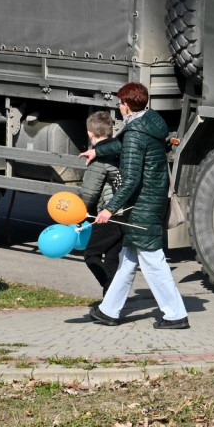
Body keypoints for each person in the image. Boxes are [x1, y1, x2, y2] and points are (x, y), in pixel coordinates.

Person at [81, 82, 189, 329]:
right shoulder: (149, 122)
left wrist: (109, 208)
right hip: (151, 199)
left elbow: (130, 179)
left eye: (120, 103)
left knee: (153, 261)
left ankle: (175, 315)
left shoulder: (136, 132)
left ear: (127, 106)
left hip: (143, 205)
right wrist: (97, 152)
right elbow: (122, 144)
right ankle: (109, 310)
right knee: (128, 258)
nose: (119, 107)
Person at [78, 111, 124, 297]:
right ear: (112, 132)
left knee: (91, 255)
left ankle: (112, 293)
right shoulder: (118, 151)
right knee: (112, 258)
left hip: (109, 214)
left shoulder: (98, 159)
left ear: (90, 134)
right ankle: (109, 304)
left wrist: (80, 216)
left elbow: (89, 193)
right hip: (123, 213)